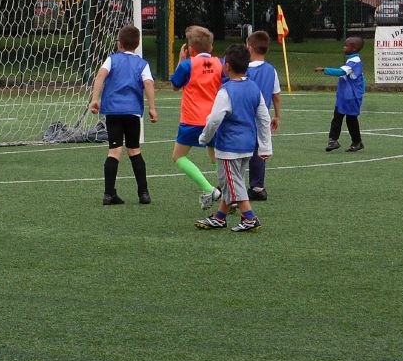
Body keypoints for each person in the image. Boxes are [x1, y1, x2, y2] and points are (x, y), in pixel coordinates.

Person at [195, 44, 271, 232]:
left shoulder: (226, 91)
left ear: (227, 66)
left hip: (229, 146)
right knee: (231, 181)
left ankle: (250, 218)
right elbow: (264, 118)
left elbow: (214, 119)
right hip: (248, 145)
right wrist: (265, 146)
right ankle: (220, 217)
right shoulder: (254, 87)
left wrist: (204, 137)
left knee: (232, 182)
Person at [88, 24, 159, 205]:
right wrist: (152, 107)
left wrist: (95, 99)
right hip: (132, 112)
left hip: (113, 111)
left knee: (114, 151)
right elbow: (149, 84)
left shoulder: (111, 59)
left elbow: (100, 76)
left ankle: (108, 194)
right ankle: (143, 193)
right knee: (134, 150)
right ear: (138, 43)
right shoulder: (142, 64)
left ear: (119, 43)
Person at [171, 25, 223, 209]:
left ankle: (209, 189)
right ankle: (227, 193)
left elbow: (175, 85)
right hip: (215, 119)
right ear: (211, 47)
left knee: (178, 156)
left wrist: (181, 60)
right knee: (216, 157)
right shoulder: (220, 63)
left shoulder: (187, 65)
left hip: (192, 120)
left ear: (190, 49)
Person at [245, 30, 282, 201]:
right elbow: (276, 95)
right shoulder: (271, 70)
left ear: (249, 48)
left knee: (236, 150)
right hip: (262, 117)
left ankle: (231, 186)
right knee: (259, 151)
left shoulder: (244, 69)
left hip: (243, 116)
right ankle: (258, 187)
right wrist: (277, 115)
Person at [315, 35, 366, 153]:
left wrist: (324, 69)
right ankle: (334, 141)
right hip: (345, 95)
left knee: (350, 119)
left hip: (351, 96)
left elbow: (341, 72)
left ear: (354, 48)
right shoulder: (351, 60)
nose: (344, 47)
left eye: (346, 45)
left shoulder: (354, 62)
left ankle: (355, 142)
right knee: (338, 117)